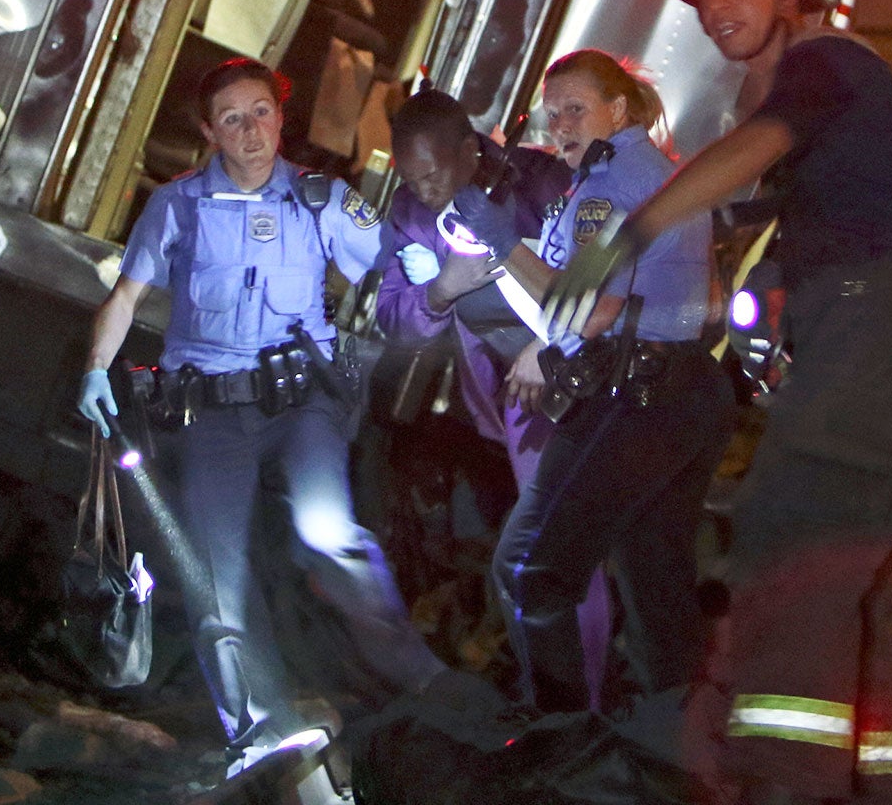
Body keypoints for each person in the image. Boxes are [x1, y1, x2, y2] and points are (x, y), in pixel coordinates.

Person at [551, 0, 892, 804]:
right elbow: (767, 219)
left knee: (791, 547)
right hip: (875, 336)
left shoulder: (824, 67)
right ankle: (887, 783)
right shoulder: (807, 93)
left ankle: (785, 782)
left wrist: (634, 230)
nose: (717, 6)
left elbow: (762, 145)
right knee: (860, 572)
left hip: (871, 332)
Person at [78, 57, 444, 770]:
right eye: (233, 119)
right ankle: (262, 730)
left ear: (282, 115)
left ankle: (424, 679)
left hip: (300, 401)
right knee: (217, 575)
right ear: (211, 132)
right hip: (214, 411)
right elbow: (124, 298)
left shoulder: (321, 198)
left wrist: (430, 266)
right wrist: (95, 371)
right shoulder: (179, 205)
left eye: (261, 112)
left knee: (327, 531)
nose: (250, 130)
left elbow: (397, 261)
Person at [452, 50, 733, 715]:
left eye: (576, 109)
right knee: (655, 585)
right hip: (681, 393)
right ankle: (677, 752)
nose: (562, 127)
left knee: (530, 570)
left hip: (635, 398)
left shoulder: (612, 183)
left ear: (619, 110)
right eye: (553, 117)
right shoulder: (640, 174)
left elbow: (584, 306)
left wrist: (497, 239)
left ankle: (562, 735)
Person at [372, 87, 613, 707]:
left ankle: (584, 701)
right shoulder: (409, 214)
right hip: (511, 395)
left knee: (559, 547)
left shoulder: (540, 183)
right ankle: (558, 702)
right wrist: (439, 293)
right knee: (541, 548)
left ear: (470, 147)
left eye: (432, 173)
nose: (423, 189)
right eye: (411, 176)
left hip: (588, 376)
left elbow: (611, 269)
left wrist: (551, 340)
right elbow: (394, 314)